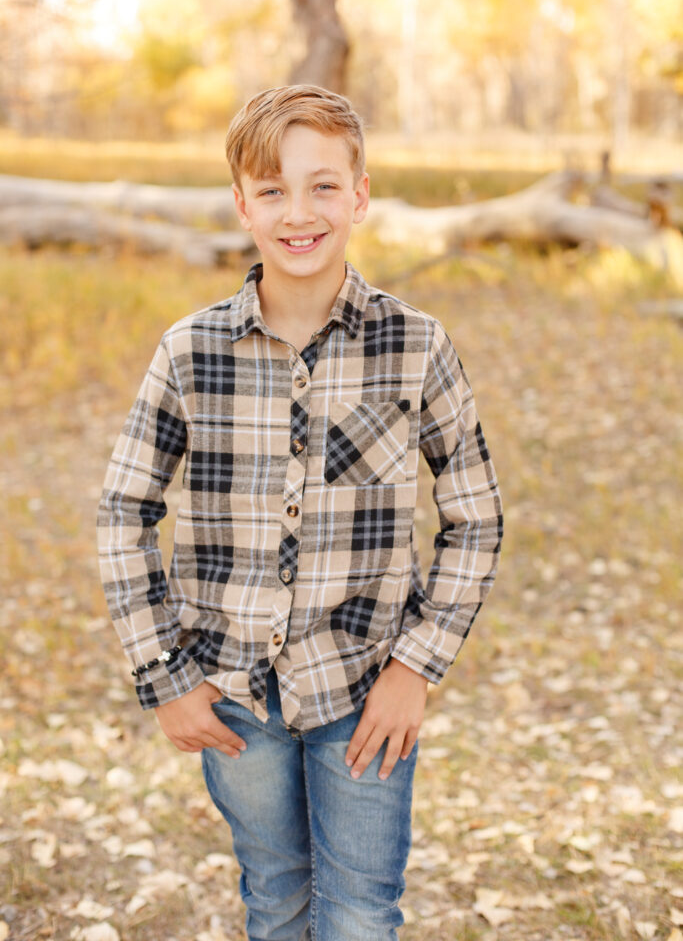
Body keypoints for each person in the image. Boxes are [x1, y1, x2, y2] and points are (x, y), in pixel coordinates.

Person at [97, 84, 503, 941]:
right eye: (273, 190)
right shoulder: (189, 352)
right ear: (241, 204)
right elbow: (124, 510)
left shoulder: (414, 345)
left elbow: (473, 515)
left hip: (364, 688)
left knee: (359, 911)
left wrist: (415, 669)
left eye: (323, 185)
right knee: (275, 895)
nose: (298, 212)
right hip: (234, 695)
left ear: (359, 194)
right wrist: (165, 677)